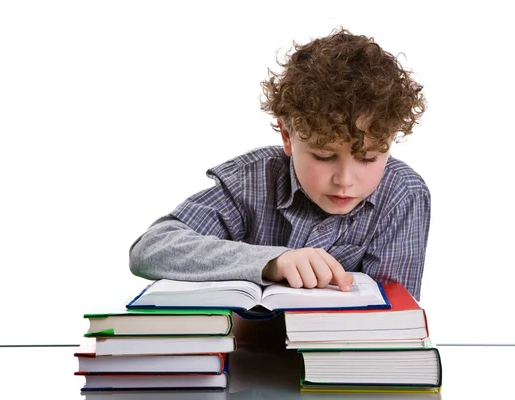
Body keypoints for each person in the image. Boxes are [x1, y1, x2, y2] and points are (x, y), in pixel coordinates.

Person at [129, 28, 430, 303]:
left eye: (368, 158)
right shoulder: (252, 180)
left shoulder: (403, 195)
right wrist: (272, 262)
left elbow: (395, 319)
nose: (345, 180)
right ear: (287, 136)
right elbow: (150, 249)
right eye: (324, 156)